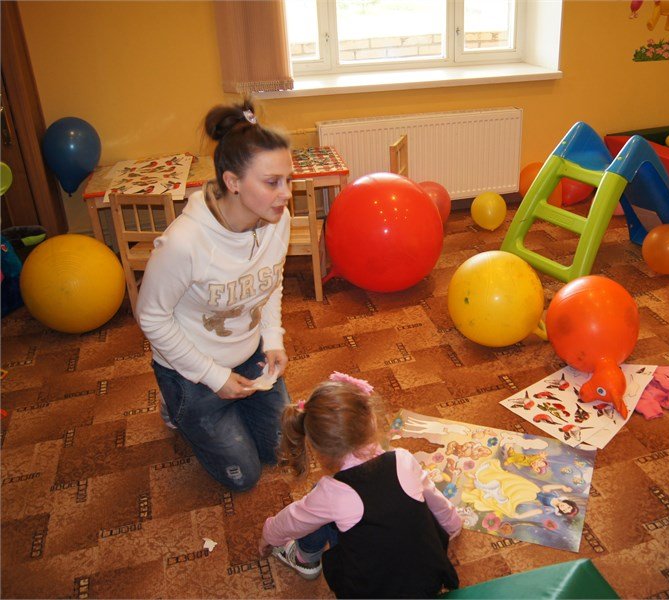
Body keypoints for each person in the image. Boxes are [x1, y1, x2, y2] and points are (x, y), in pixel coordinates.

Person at [137, 100, 293, 492]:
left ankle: (230, 412)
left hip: (250, 355)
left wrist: (272, 339)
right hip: (191, 369)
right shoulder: (183, 243)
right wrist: (212, 376)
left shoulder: (278, 220)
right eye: (272, 182)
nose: (285, 194)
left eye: (288, 180)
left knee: (283, 449)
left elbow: (271, 281)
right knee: (245, 477)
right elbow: (151, 317)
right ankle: (176, 404)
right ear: (233, 181)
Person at [259, 372, 461, 598]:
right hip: (429, 580)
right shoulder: (403, 459)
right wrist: (452, 524)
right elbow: (435, 499)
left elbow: (295, 519)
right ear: (373, 419)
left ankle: (304, 558)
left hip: (371, 592)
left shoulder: (333, 491)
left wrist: (269, 534)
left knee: (319, 507)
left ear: (318, 449)